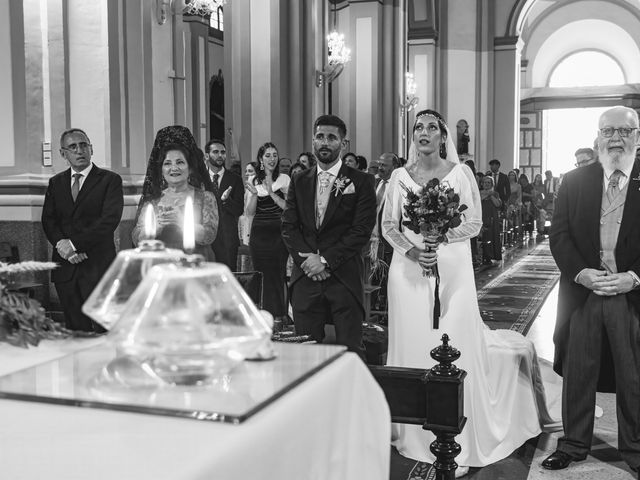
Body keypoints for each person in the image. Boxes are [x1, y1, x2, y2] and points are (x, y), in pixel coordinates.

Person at [382, 109, 558, 473]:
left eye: (432, 127)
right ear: (412, 135)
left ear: (444, 136)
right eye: (418, 127)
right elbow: (388, 226)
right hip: (408, 270)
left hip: (452, 267)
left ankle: (458, 428)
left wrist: (440, 236)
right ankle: (412, 426)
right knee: (412, 340)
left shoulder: (460, 173)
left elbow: (474, 222)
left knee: (453, 337)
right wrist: (415, 250)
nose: (424, 132)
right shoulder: (400, 177)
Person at [543, 106, 640, 475]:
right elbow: (560, 234)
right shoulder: (575, 180)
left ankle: (634, 447)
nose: (616, 138)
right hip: (585, 292)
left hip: (628, 293)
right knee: (579, 371)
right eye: (608, 131)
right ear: (598, 136)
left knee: (633, 373)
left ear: (637, 136)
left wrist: (634, 277)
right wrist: (581, 273)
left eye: (624, 131)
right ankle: (573, 444)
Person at [282, 114, 376, 358]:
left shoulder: (362, 181)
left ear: (343, 144)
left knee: (350, 353)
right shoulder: (299, 180)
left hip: (343, 277)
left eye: (332, 138)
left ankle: (353, 396)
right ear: (313, 140)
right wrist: (308, 263)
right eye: (320, 136)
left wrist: (323, 260)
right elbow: (289, 227)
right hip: (306, 278)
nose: (325, 142)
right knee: (306, 354)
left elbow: (361, 231)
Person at [42, 128, 124, 332]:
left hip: (97, 265)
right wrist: (65, 249)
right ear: (63, 154)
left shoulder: (109, 180)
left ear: (91, 149)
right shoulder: (56, 182)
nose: (79, 150)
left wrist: (74, 245)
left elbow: (109, 221)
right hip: (66, 267)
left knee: (103, 329)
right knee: (74, 330)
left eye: (83, 145)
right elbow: (49, 220)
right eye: (73, 147)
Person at [132, 126, 217, 260]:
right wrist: (156, 227)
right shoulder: (153, 200)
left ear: (190, 168)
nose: (174, 168)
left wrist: (181, 221)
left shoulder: (206, 197)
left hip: (196, 260)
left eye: (180, 162)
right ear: (161, 170)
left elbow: (210, 236)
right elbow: (137, 239)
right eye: (167, 163)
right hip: (161, 262)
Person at [245, 142, 290, 322]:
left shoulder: (284, 179)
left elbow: (289, 208)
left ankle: (280, 316)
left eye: (274, 155)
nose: (272, 158)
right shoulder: (253, 180)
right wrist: (255, 194)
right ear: (261, 159)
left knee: (277, 274)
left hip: (279, 233)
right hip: (259, 233)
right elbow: (249, 212)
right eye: (268, 155)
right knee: (261, 274)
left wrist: (271, 192)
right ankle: (263, 316)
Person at [205, 139, 244, 270]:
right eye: (215, 152)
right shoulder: (199, 179)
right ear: (207, 155)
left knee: (228, 276)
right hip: (206, 237)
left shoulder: (235, 179)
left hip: (228, 237)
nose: (220, 155)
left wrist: (226, 200)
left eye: (223, 152)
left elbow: (239, 209)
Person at [479, 175, 502, 264]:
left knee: (491, 236)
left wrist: (491, 195)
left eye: (489, 182)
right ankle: (481, 256)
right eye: (485, 182)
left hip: (492, 216)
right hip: (482, 215)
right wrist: (486, 194)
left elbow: (497, 204)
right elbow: (479, 201)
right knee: (483, 236)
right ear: (482, 184)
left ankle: (490, 256)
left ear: (492, 184)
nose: (487, 184)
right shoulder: (479, 193)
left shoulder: (495, 193)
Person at [238, 161, 258, 247]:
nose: (246, 174)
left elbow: (250, 211)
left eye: (250, 171)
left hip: (254, 225)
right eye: (246, 171)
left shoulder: (257, 186)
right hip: (247, 224)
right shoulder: (248, 187)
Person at [506, 170, 522, 240]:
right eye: (510, 175)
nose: (511, 176)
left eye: (513, 175)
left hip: (515, 203)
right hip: (507, 202)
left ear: (515, 176)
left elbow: (519, 196)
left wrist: (515, 203)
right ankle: (508, 228)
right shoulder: (505, 185)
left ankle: (514, 231)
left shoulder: (518, 186)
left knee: (512, 209)